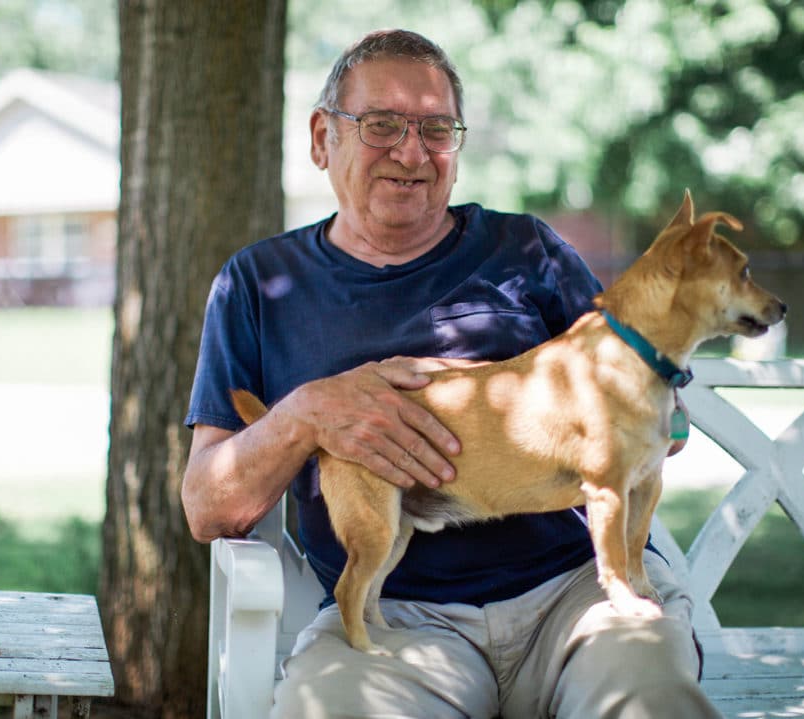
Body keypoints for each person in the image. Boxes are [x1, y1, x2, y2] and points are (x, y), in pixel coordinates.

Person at [182, 28, 722, 719]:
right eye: (381, 125)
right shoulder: (258, 283)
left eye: (436, 129)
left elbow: (668, 420)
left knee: (654, 702)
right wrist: (308, 412)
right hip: (395, 618)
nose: (411, 152)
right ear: (323, 138)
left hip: (575, 595)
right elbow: (207, 505)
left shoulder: (527, 250)